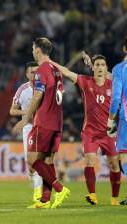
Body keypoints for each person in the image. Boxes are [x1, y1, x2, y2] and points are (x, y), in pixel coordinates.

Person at [51, 54, 121, 205]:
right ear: (93, 68)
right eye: (97, 65)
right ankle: (93, 196)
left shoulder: (114, 85)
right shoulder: (85, 82)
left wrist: (92, 64)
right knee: (89, 161)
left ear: (106, 68)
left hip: (109, 132)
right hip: (90, 132)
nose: (100, 67)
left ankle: (114, 198)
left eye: (103, 65)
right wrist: (49, 61)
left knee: (114, 165)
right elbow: (67, 72)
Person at [13, 37, 70, 209]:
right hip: (57, 121)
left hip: (44, 121)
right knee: (47, 161)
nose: (32, 51)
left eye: (33, 49)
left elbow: (38, 95)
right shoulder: (56, 69)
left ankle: (59, 189)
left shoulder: (42, 71)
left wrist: (25, 119)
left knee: (32, 161)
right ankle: (45, 200)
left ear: (37, 50)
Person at [9, 61, 43, 203]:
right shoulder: (22, 89)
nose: (35, 75)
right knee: (29, 163)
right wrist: (27, 112)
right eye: (32, 72)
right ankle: (37, 184)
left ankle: (39, 192)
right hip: (28, 127)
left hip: (43, 127)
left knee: (42, 161)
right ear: (27, 74)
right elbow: (12, 110)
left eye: (37, 72)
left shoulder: (45, 87)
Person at [108, 36, 127, 205]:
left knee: (124, 158)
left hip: (126, 121)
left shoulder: (120, 69)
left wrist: (110, 120)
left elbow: (115, 99)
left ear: (124, 49)